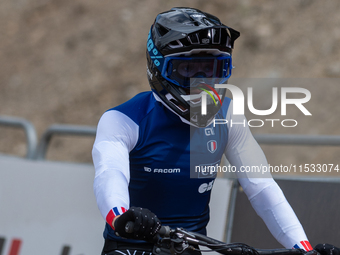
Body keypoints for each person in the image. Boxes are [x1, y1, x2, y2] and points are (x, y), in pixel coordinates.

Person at [92, 7, 337, 255]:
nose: (203, 83)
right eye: (188, 70)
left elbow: (262, 189)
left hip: (191, 250)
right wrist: (119, 216)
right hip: (129, 248)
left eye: (211, 69)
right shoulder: (122, 120)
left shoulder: (228, 116)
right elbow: (110, 175)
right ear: (160, 68)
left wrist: (305, 249)